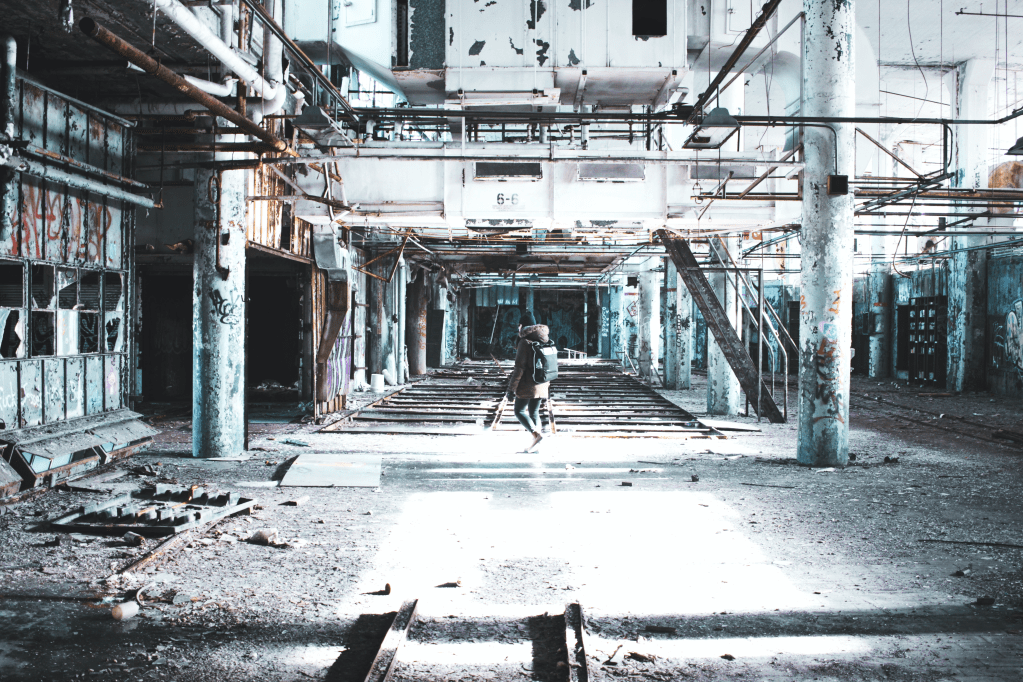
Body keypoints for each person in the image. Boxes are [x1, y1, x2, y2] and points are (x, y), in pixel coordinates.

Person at [505, 311, 551, 451]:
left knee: (519, 410)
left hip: (527, 384)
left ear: (522, 326)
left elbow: (519, 368)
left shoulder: (524, 342)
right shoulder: (545, 339)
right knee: (534, 412)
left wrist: (511, 389)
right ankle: (537, 442)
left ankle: (535, 434)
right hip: (542, 383)